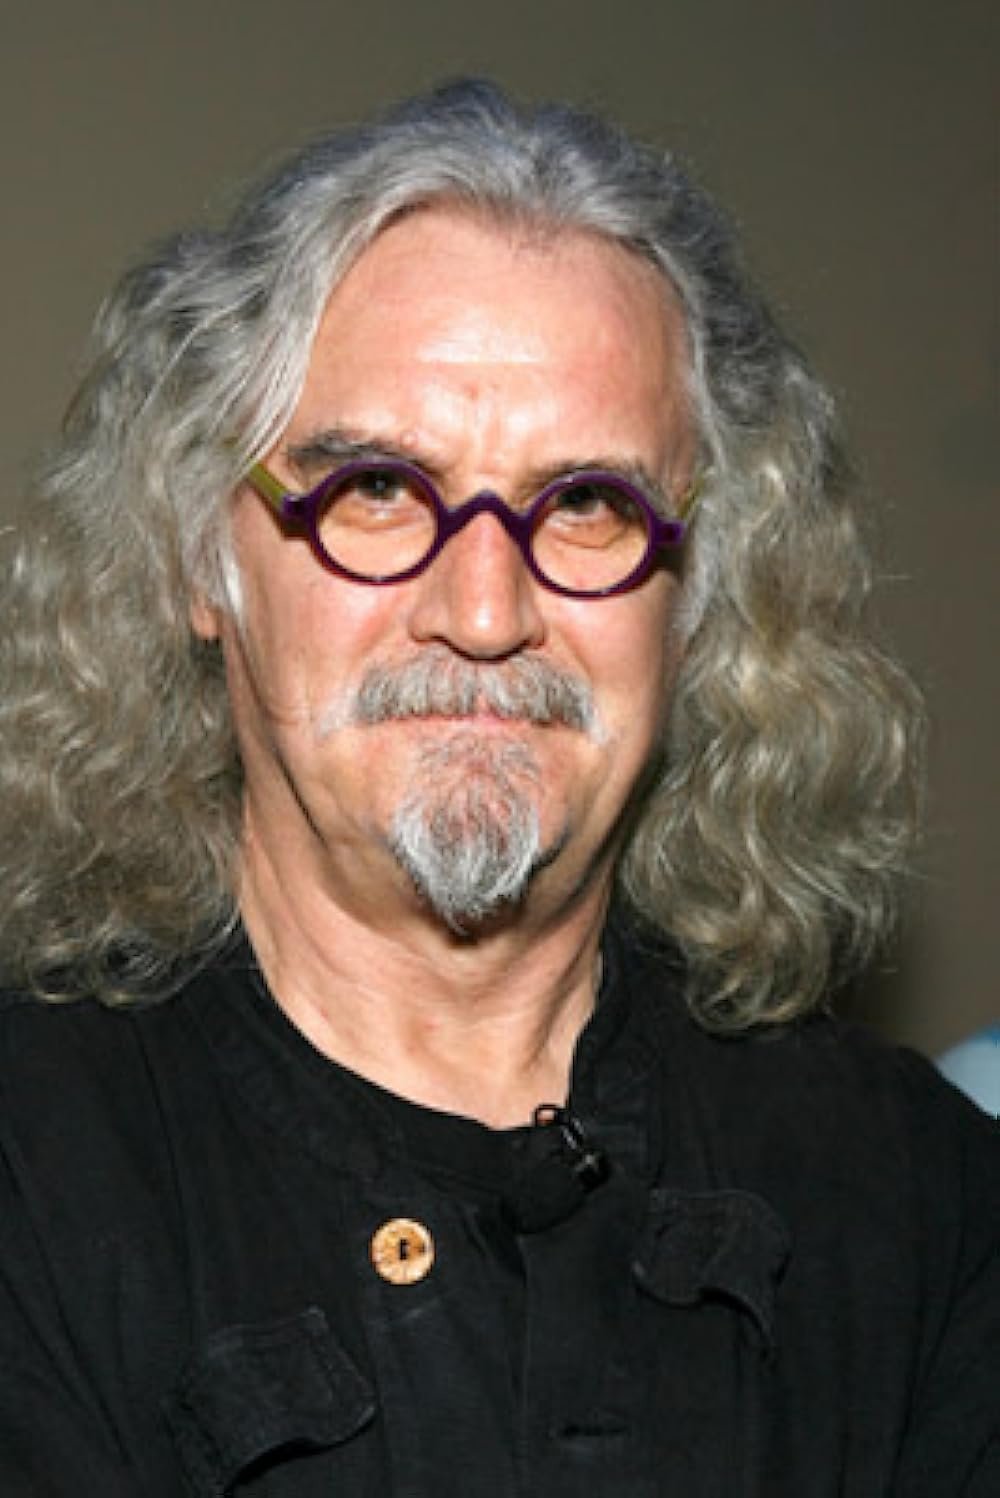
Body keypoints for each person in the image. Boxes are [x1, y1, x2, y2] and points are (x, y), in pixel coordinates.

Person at [0, 79, 995, 1496]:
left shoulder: (924, 1203)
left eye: (586, 503)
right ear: (198, 563)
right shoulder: (34, 1185)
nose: (483, 611)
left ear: (697, 600)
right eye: (377, 490)